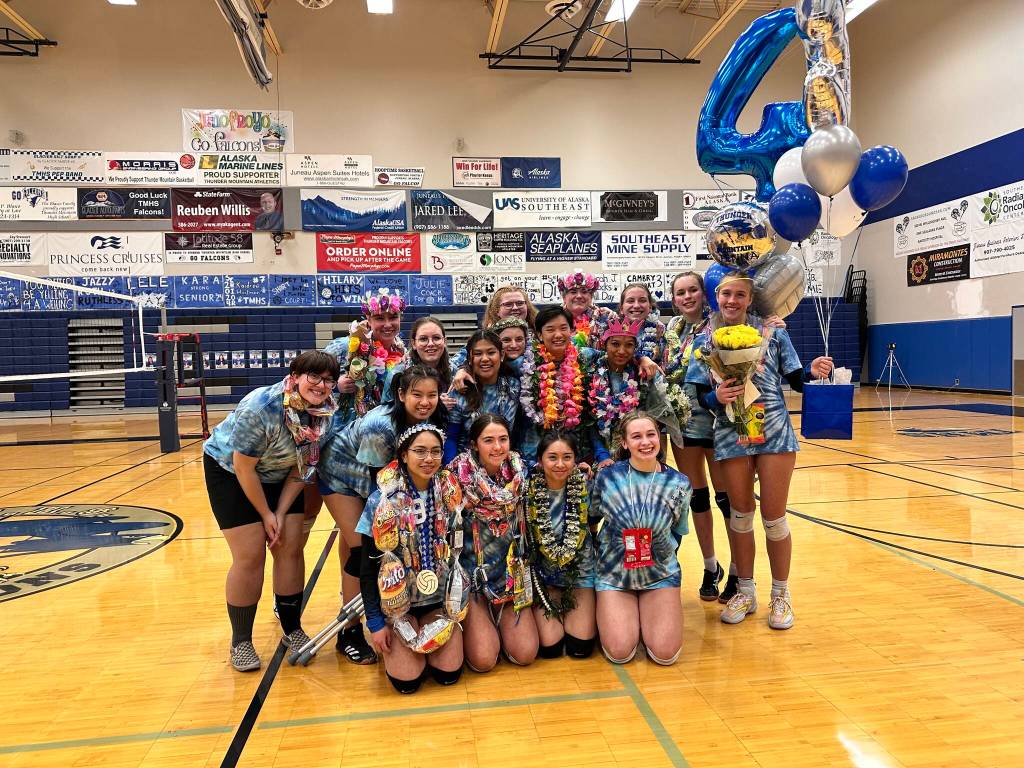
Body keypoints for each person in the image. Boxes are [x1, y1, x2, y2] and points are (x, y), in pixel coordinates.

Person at [686, 272, 832, 630]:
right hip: (730, 433)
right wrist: (715, 397)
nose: (732, 301)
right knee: (740, 514)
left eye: (740, 295)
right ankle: (746, 591)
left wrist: (812, 371)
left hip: (774, 432)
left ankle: (781, 595)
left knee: (773, 517)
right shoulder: (704, 339)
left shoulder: (773, 331)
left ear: (750, 300)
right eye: (726, 295)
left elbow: (796, 378)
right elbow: (696, 395)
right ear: (716, 297)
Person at [202, 350, 340, 671]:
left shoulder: (325, 415)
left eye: (328, 380)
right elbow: (243, 467)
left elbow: (302, 467)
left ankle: (292, 628)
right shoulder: (262, 407)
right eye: (314, 377)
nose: (321, 385)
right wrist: (265, 514)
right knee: (251, 554)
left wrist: (279, 510)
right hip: (232, 473)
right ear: (294, 376)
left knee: (289, 546)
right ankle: (241, 641)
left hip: (282, 474)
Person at [315, 365, 448, 663]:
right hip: (342, 477)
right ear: (401, 394)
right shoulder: (381, 427)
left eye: (432, 395)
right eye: (417, 395)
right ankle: (349, 631)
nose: (425, 402)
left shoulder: (432, 418)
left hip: (373, 475)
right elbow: (384, 491)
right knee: (364, 548)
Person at [357, 424, 467, 693]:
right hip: (396, 607)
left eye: (435, 452)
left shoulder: (450, 494)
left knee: (449, 675)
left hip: (438, 602)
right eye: (420, 451)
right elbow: (368, 567)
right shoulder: (381, 501)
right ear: (404, 455)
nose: (428, 459)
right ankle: (405, 642)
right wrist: (375, 622)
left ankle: (429, 641)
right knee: (407, 682)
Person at [590, 412, 691, 666]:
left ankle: (650, 615)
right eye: (636, 436)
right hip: (614, 574)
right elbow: (591, 519)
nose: (645, 442)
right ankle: (623, 614)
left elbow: (678, 532)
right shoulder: (607, 477)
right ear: (624, 443)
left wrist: (657, 560)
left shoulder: (680, 483)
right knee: (620, 652)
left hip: (659, 574)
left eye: (651, 434)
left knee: (665, 654)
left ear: (659, 437)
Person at [664, 271, 736, 603]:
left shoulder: (721, 322)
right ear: (674, 298)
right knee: (697, 498)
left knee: (728, 502)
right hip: (684, 424)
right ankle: (710, 567)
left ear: (703, 292)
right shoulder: (671, 332)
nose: (688, 296)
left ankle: (737, 570)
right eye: (681, 292)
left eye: (693, 289)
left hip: (720, 422)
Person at [449, 414, 538, 671]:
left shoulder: (519, 472)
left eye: (503, 439)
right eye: (488, 440)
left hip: (509, 577)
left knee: (526, 654)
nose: (497, 447)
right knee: (484, 660)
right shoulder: (455, 476)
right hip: (473, 578)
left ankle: (499, 625)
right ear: (475, 444)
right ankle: (478, 623)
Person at [527, 431, 597, 660]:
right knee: (550, 647)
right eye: (552, 457)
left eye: (567, 457)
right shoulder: (526, 489)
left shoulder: (587, 485)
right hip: (544, 577)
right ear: (540, 460)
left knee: (580, 647)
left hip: (580, 574)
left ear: (576, 460)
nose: (560, 464)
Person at [590, 318, 682, 467]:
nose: (621, 351)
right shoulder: (592, 370)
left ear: (635, 349)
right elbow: (591, 422)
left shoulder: (645, 374)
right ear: (604, 344)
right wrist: (602, 455)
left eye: (629, 345)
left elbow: (656, 416)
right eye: (615, 344)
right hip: (602, 457)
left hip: (640, 454)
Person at [520, 306, 606, 465]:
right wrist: (464, 369)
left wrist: (642, 359)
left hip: (577, 450)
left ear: (572, 331)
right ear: (539, 334)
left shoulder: (584, 357)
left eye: (563, 328)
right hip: (535, 453)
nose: (558, 335)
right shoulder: (526, 362)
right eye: (550, 329)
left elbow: (617, 354)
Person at [325, 289, 407, 425]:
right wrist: (334, 385)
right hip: (343, 430)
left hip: (382, 427)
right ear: (369, 319)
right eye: (379, 318)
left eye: (393, 317)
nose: (387, 324)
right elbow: (309, 375)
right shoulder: (346, 346)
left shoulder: (402, 352)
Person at [444, 330, 521, 463]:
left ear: (501, 355)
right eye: (478, 354)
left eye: (491, 353)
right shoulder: (459, 390)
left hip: (504, 461)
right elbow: (451, 437)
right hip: (467, 466)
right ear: (469, 358)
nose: (485, 359)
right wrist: (452, 469)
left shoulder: (514, 387)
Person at [382, 316, 453, 405]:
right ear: (414, 344)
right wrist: (435, 406)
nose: (431, 344)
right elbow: (386, 413)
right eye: (423, 339)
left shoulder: (455, 371)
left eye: (436, 338)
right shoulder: (398, 374)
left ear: (445, 342)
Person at [558, 270, 618, 349]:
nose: (579, 296)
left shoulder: (605, 319)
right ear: (564, 297)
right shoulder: (553, 320)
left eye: (584, 292)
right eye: (573, 292)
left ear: (591, 296)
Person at [618, 282, 666, 363]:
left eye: (642, 300)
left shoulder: (660, 331)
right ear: (621, 309)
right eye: (630, 301)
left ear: (650, 307)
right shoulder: (611, 332)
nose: (636, 306)